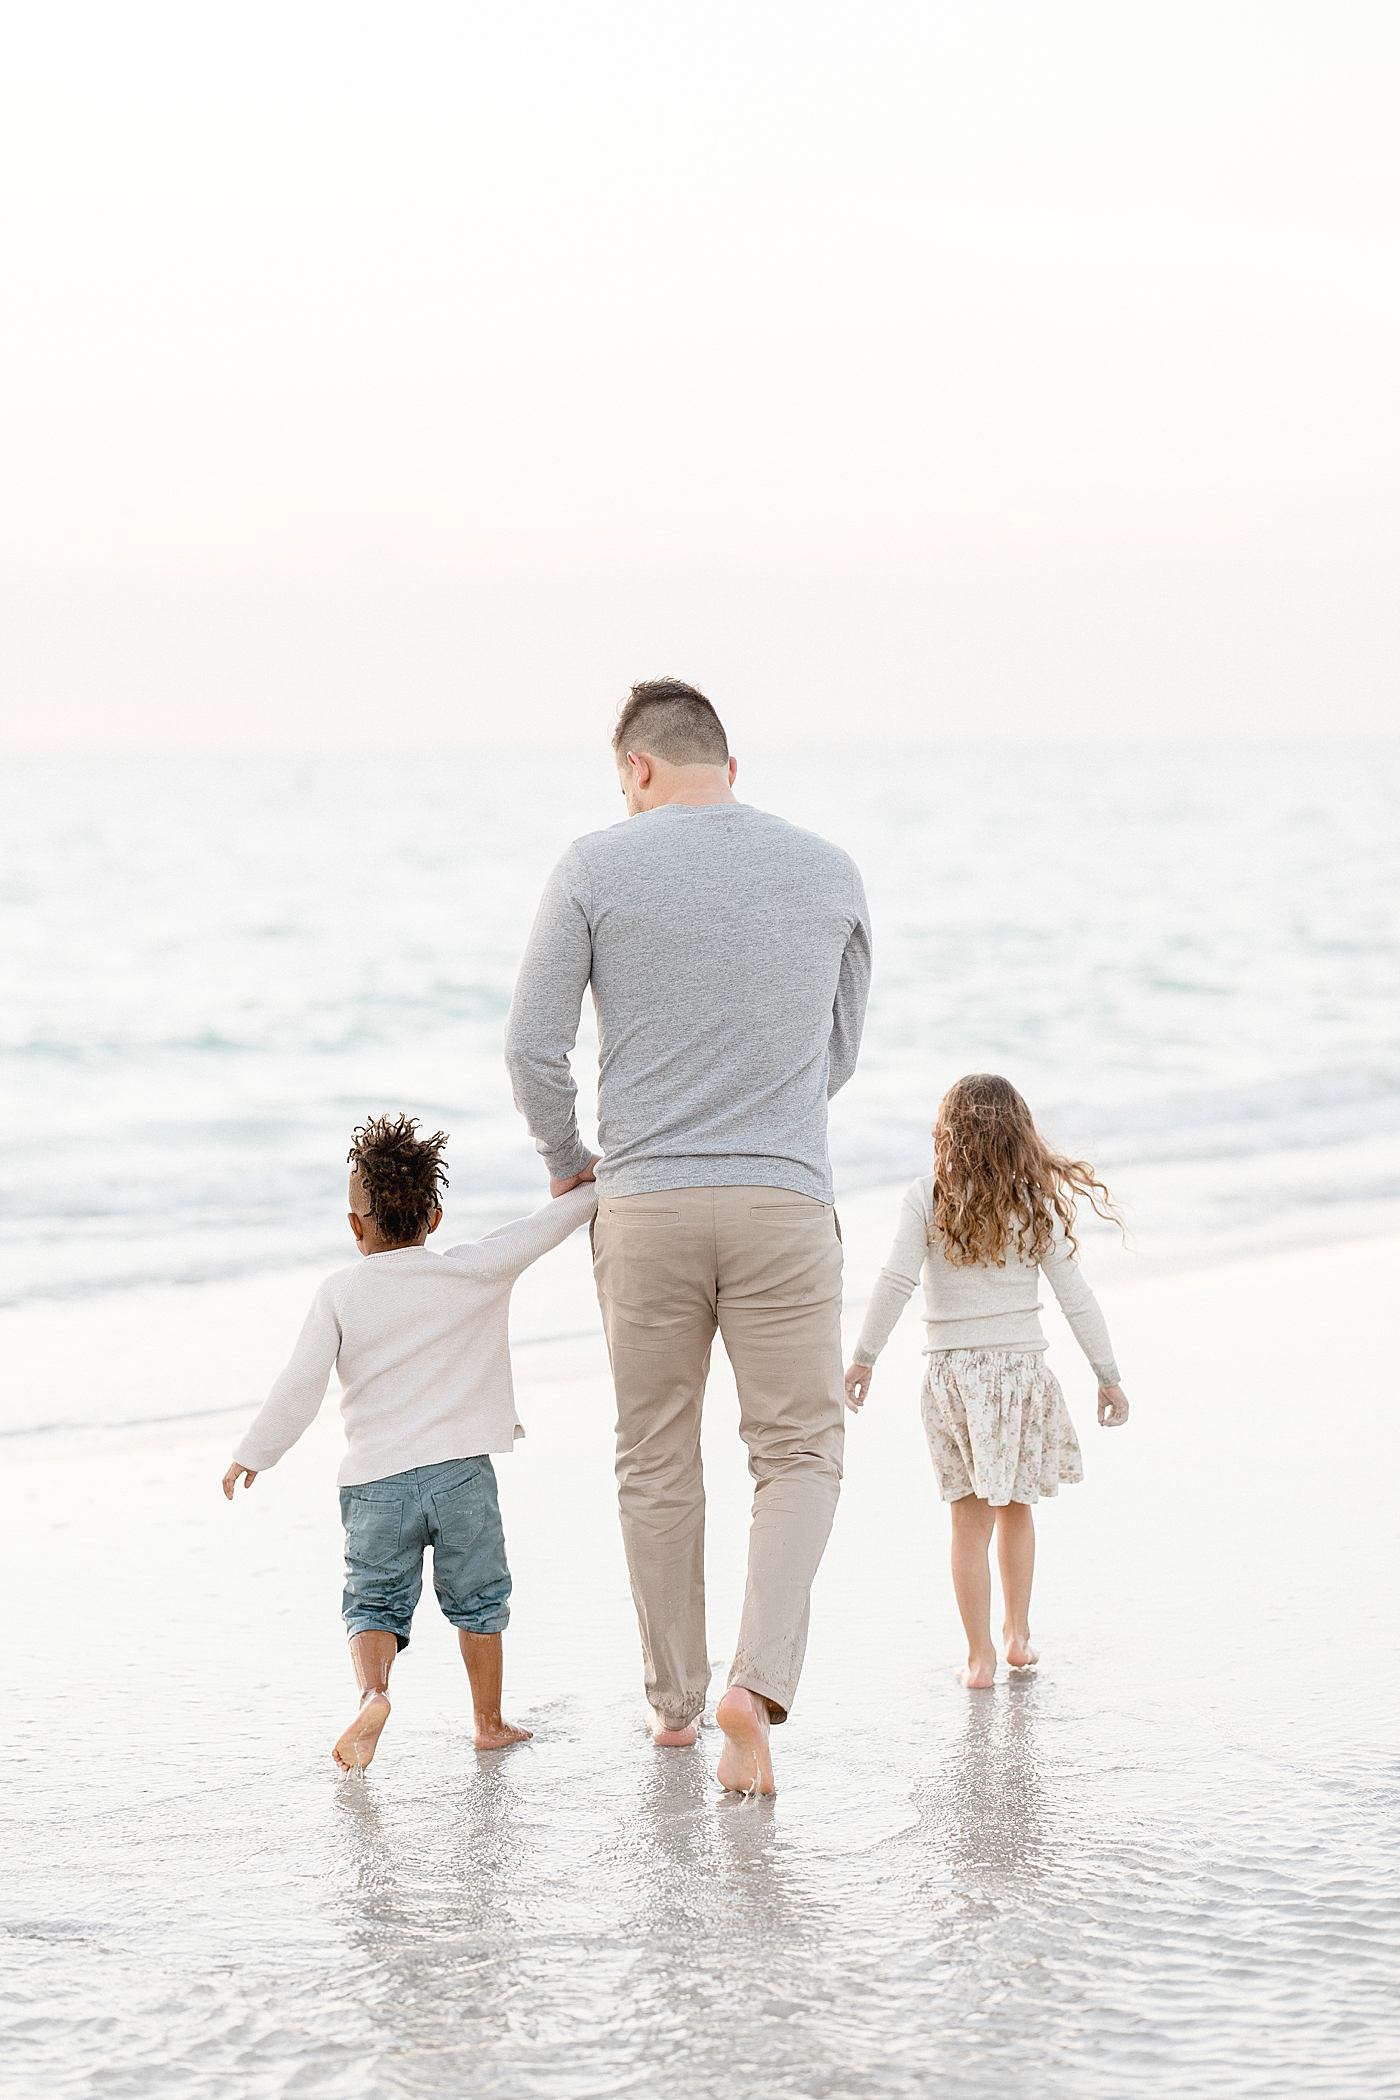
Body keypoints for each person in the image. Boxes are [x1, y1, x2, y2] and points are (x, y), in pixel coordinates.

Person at [505, 678, 871, 1795]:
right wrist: (764, 1114)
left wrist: (571, 1161)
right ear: (728, 766)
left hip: (647, 1206)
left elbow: (531, 1047)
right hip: (782, 1202)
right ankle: (750, 1690)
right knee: (797, 1452)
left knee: (654, 1453)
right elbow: (837, 1055)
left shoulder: (594, 866)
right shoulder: (828, 869)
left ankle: (671, 1706)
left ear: (637, 770)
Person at [221, 1113, 597, 1771]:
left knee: (372, 1598)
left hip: (375, 1484)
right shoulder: (473, 1269)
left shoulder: (339, 1292)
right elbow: (546, 1227)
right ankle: (488, 1723)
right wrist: (601, 1181)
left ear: (355, 1226)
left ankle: (372, 1693)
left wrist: (256, 1452)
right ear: (436, 1217)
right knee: (478, 1599)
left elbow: (299, 1387)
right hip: (461, 1478)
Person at [844, 1073, 1129, 1688]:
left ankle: (979, 1659)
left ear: (947, 1133)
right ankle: (1018, 1635)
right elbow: (1075, 1296)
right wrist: (1107, 1376)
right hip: (1022, 1374)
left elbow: (894, 1281)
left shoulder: (927, 1197)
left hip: (951, 1377)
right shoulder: (1035, 1204)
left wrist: (864, 1357)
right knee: (1016, 1510)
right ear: (1019, 1134)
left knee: (966, 1520)